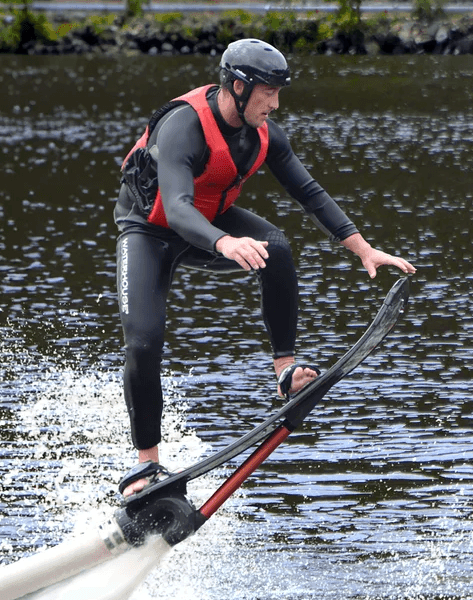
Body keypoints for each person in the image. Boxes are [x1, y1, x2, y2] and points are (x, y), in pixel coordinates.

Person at [113, 38, 416, 497]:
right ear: (237, 86)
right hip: (150, 229)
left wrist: (363, 249)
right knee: (143, 339)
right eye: (268, 92)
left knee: (276, 247)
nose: (275, 104)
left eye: (279, 92)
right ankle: (145, 467)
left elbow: (308, 192)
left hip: (211, 222)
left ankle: (285, 372)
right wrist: (225, 241)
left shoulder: (265, 134)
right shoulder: (183, 127)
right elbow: (175, 207)